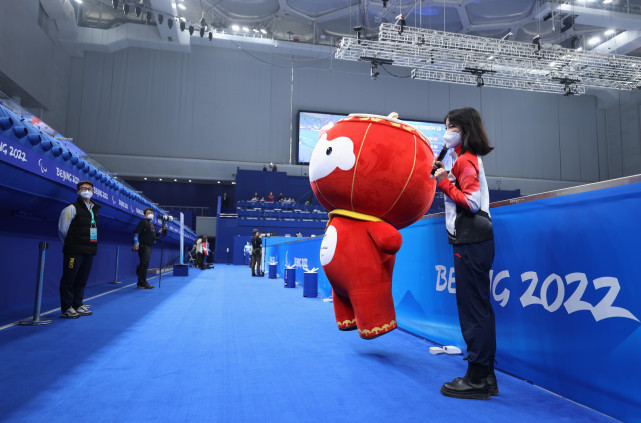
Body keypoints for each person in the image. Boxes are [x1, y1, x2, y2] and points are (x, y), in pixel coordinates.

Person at [432, 107, 497, 400]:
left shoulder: (467, 161)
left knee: (473, 310)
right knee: (478, 308)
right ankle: (486, 376)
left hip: (471, 241)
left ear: (461, 129)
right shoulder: (465, 160)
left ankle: (476, 378)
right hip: (473, 241)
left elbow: (470, 203)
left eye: (449, 127)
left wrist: (444, 182)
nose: (446, 133)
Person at [57, 180, 100, 318]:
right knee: (69, 279)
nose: (86, 190)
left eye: (89, 188)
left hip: (89, 250)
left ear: (93, 192)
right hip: (74, 250)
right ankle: (67, 308)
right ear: (78, 191)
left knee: (82, 279)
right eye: (83, 188)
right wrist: (71, 244)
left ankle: (77, 304)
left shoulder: (95, 209)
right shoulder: (71, 208)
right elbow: (63, 230)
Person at [132, 207, 166, 289]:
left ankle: (141, 282)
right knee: (144, 264)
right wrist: (136, 243)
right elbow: (136, 233)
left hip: (149, 246)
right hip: (144, 246)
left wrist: (161, 230)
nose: (150, 214)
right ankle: (142, 282)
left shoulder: (151, 224)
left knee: (144, 264)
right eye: (148, 213)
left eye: (151, 212)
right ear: (144, 215)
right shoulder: (143, 222)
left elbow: (154, 236)